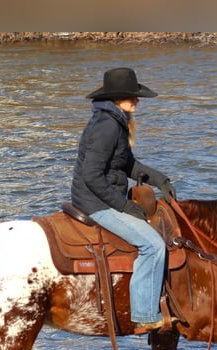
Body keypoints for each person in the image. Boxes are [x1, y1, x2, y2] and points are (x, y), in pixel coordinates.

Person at [71, 67, 177, 334]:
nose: (138, 100)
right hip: (95, 202)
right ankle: (144, 314)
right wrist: (124, 206)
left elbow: (125, 163)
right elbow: (92, 176)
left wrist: (158, 179)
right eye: (133, 96)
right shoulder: (107, 127)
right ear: (119, 99)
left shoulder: (114, 121)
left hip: (103, 196)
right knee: (153, 245)